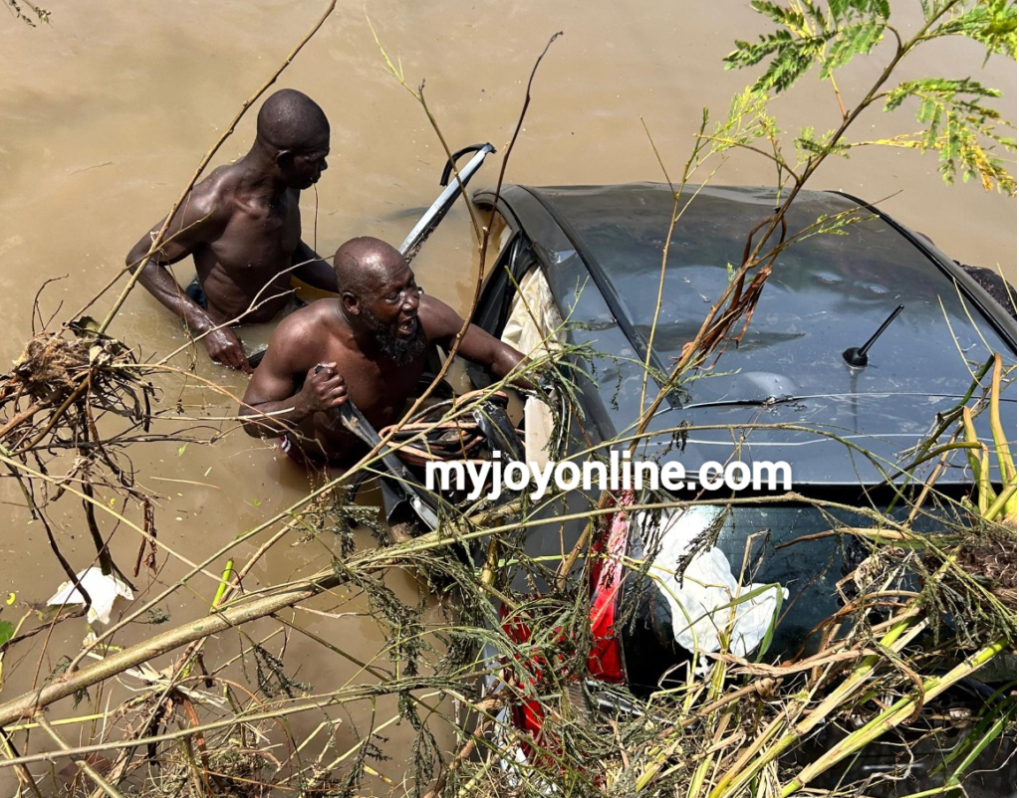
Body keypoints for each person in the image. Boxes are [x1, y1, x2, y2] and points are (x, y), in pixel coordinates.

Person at [239, 236, 528, 465]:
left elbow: (495, 355)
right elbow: (250, 420)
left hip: (388, 451)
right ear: (353, 304)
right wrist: (305, 402)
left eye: (411, 286)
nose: (412, 302)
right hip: (317, 463)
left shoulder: (426, 318)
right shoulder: (302, 336)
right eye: (394, 296)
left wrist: (556, 383)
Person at [125, 89, 339, 371]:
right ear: (285, 160)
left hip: (286, 313)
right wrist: (208, 328)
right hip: (238, 341)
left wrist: (347, 285)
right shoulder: (212, 206)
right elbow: (141, 259)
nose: (323, 167)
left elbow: (289, 250)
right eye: (315, 160)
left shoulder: (289, 188)